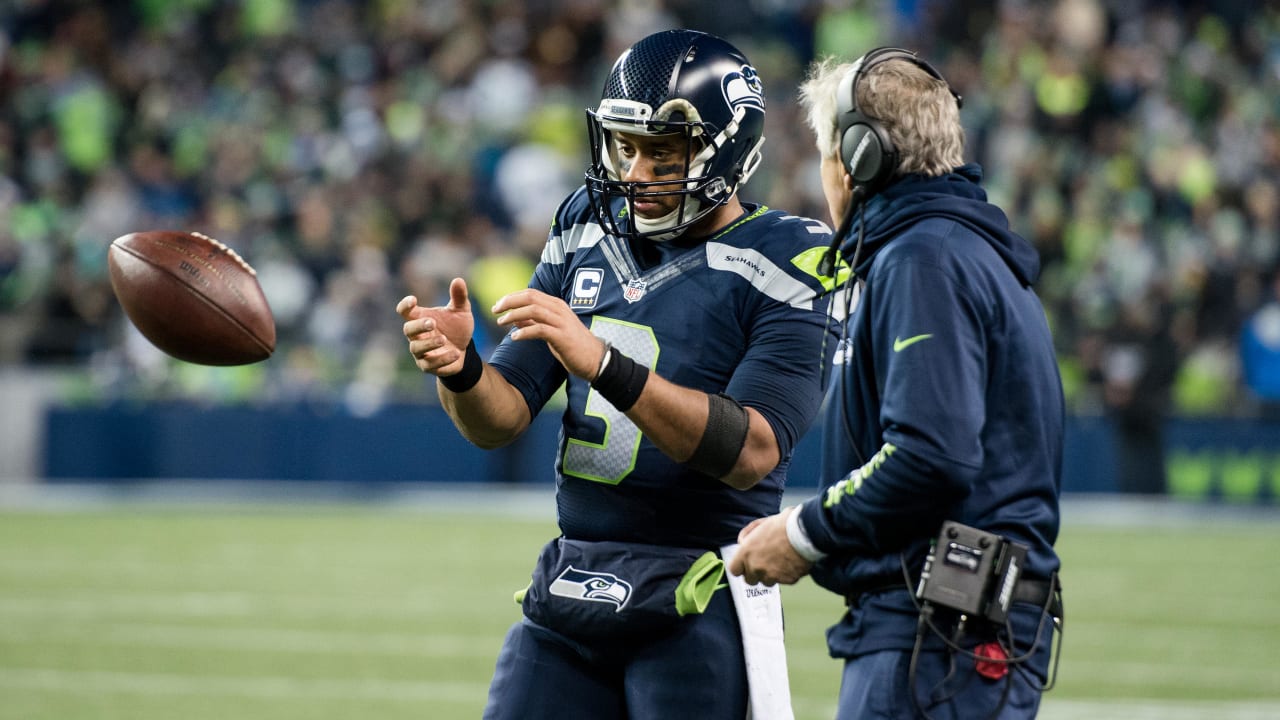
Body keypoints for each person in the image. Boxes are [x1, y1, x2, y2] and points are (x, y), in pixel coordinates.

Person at [397, 29, 837, 720]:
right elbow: (502, 416)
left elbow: (753, 451)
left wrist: (602, 362)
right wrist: (462, 370)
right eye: (626, 147)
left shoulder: (788, 259)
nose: (634, 172)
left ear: (727, 149)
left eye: (662, 151)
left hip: (702, 597)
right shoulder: (585, 228)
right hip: (574, 581)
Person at [727, 48, 1065, 719]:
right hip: (956, 629)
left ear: (859, 157)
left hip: (937, 635)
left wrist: (801, 534)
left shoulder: (924, 258)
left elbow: (929, 455)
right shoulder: (961, 251)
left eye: (827, 151)